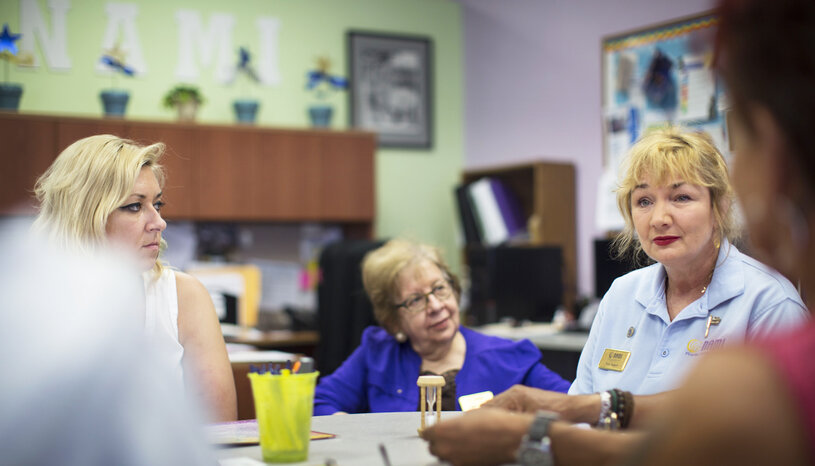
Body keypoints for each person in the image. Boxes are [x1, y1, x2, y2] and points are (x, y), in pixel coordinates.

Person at [423, 1, 815, 464]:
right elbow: (578, 406)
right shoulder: (621, 295)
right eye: (644, 201)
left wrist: (535, 435)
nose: (659, 217)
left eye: (681, 197)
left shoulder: (768, 304)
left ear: (721, 206)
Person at [32, 134, 237, 422]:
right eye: (134, 206)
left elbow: (220, 431)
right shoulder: (29, 303)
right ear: (84, 214)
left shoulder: (183, 296)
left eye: (158, 204)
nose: (159, 222)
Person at [313, 238, 571, 415]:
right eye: (415, 300)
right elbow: (320, 402)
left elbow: (574, 403)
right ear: (393, 320)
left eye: (439, 288)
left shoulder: (507, 357)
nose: (436, 306)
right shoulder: (378, 352)